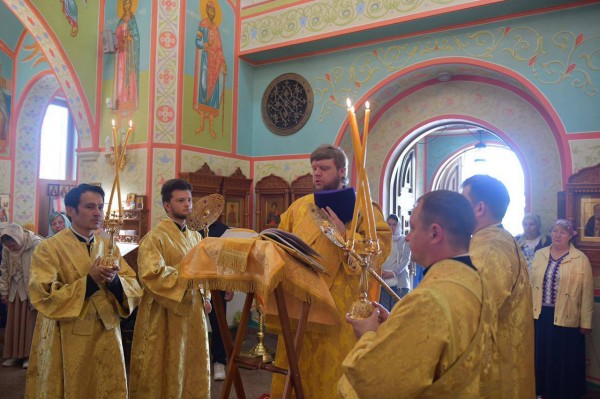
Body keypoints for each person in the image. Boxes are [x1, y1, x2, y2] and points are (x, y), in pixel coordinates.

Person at [338, 190, 498, 398]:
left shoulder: (428, 299)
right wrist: (396, 324)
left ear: (434, 233)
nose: (407, 235)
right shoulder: (475, 281)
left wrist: (368, 334)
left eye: (413, 227)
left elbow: (376, 382)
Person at [270, 144, 391, 399]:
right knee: (297, 367)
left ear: (342, 170)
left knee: (333, 371)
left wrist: (346, 235)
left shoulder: (365, 208)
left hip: (339, 308)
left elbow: (379, 250)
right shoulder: (299, 207)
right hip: (299, 303)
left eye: (324, 168)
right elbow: (281, 239)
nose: (317, 173)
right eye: (314, 168)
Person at [25, 183, 142, 397]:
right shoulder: (48, 248)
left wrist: (115, 282)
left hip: (107, 332)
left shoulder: (108, 246)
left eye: (100, 206)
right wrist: (90, 281)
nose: (97, 213)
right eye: (90, 206)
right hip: (68, 334)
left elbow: (133, 285)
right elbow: (43, 295)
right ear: (71, 210)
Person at [129, 178, 212, 398]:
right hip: (164, 315)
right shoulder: (154, 238)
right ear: (167, 205)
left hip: (194, 313)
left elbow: (203, 273)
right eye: (181, 200)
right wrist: (188, 273)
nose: (188, 205)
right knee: (164, 363)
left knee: (191, 361)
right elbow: (152, 275)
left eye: (190, 200)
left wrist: (207, 296)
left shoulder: (195, 237)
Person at [461, 174, 535, 398]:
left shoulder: (489, 248)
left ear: (479, 208)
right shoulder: (494, 238)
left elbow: (472, 310)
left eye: (463, 202)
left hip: (494, 363)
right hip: (503, 354)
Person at [531, 219, 593, 399]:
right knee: (542, 355)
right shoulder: (540, 254)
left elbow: (587, 293)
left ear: (571, 235)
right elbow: (530, 284)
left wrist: (586, 322)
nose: (557, 235)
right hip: (541, 315)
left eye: (563, 232)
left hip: (567, 315)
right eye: (555, 231)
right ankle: (542, 391)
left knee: (563, 358)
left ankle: (563, 393)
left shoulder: (580, 259)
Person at [0, 224, 43, 368]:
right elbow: (4, 269)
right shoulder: (7, 249)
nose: (10, 247)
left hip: (30, 289)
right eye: (7, 245)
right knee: (13, 322)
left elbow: (42, 269)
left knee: (29, 323)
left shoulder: (35, 244)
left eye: (12, 244)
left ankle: (28, 356)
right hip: (14, 289)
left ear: (18, 238)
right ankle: (13, 355)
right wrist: (4, 291)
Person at [194, 0, 227, 138]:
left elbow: (219, 49)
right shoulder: (203, 25)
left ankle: (211, 128)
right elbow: (197, 40)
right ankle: (201, 125)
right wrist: (204, 44)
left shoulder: (216, 29)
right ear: (207, 11)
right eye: (209, 10)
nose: (211, 12)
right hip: (206, 63)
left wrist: (223, 63)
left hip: (216, 65)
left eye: (213, 10)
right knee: (203, 91)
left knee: (213, 95)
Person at [379, 214, 411, 311]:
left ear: (398, 226)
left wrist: (393, 273)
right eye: (389, 224)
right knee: (384, 312)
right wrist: (380, 272)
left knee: (397, 312)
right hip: (383, 281)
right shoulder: (382, 240)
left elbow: (406, 259)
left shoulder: (404, 240)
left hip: (399, 283)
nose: (391, 227)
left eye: (394, 224)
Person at [114, 0, 140, 114]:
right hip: (121, 54)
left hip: (130, 53)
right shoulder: (120, 21)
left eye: (128, 3)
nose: (126, 5)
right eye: (124, 3)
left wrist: (131, 38)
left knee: (129, 75)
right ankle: (121, 100)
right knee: (120, 76)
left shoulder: (133, 19)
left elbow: (136, 36)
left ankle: (130, 100)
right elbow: (116, 37)